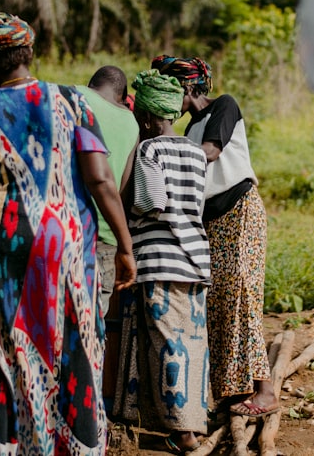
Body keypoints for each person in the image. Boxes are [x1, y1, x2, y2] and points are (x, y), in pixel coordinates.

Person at [0, 10, 137, 454]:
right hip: (69, 249)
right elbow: (100, 179)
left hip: (1, 251)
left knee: (1, 349)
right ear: (29, 53)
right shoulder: (72, 102)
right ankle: (76, 445)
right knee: (73, 342)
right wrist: (125, 247)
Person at [151, 55, 277, 417]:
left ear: (186, 87)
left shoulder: (224, 106)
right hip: (210, 222)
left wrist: (167, 148)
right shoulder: (188, 128)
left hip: (240, 211)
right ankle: (232, 390)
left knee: (243, 292)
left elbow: (211, 152)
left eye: (169, 88)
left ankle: (266, 390)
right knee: (220, 302)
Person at [114, 69, 211, 453]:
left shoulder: (151, 149)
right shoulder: (193, 150)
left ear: (148, 117)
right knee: (191, 341)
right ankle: (188, 422)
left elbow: (151, 202)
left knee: (167, 342)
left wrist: (128, 208)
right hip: (195, 258)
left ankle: (184, 433)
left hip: (159, 257)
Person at [73, 66, 139, 414]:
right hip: (107, 237)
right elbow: (122, 187)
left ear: (92, 85)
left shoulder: (71, 97)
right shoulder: (131, 123)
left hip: (66, 230)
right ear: (121, 94)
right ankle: (87, 410)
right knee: (93, 327)